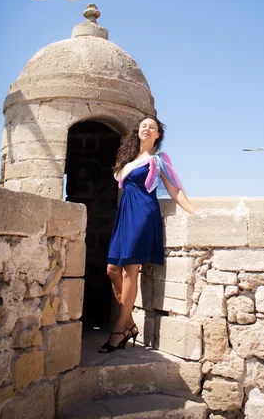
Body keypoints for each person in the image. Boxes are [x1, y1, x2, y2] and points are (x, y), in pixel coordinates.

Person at [99, 115, 196, 353]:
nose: (147, 128)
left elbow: (175, 190)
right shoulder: (128, 160)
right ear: (138, 131)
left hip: (143, 214)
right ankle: (130, 323)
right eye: (143, 125)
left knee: (131, 270)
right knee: (112, 269)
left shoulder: (158, 161)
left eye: (152, 127)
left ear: (157, 135)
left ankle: (119, 329)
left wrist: (196, 213)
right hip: (125, 215)